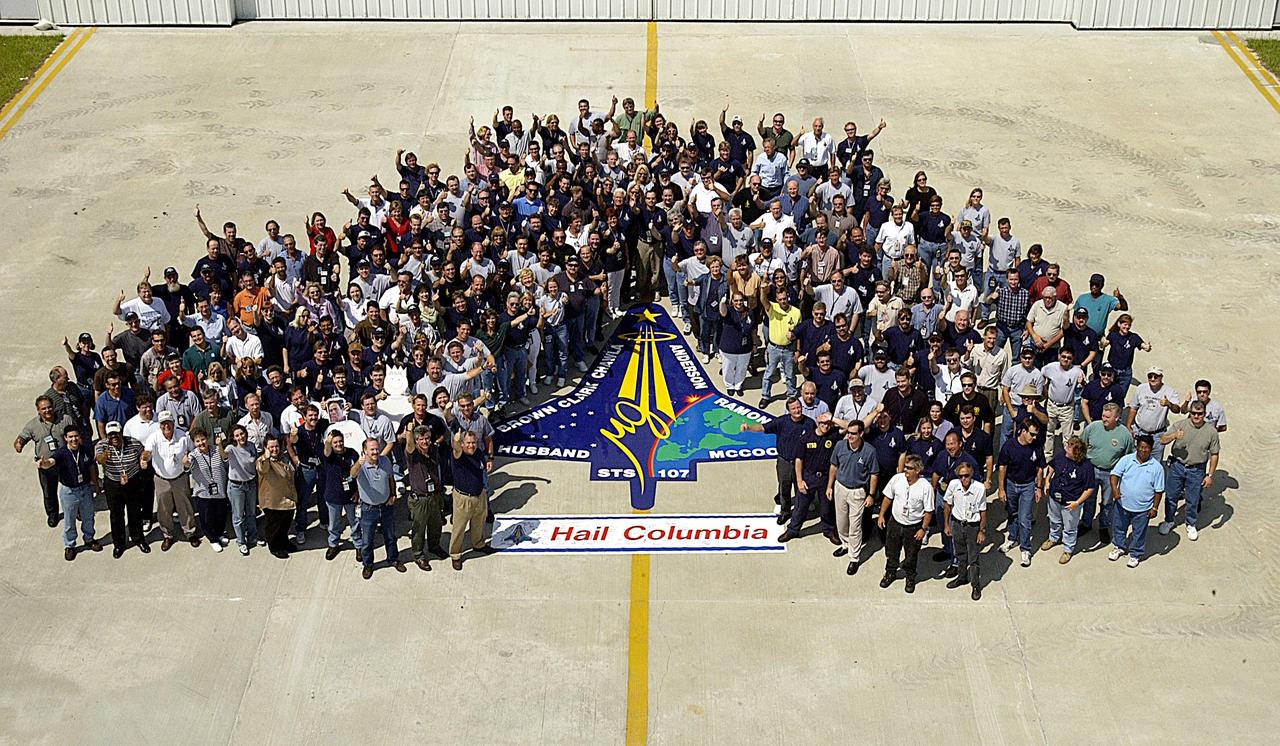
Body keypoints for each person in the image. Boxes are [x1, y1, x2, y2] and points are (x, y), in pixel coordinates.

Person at [741, 398, 814, 526]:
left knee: (801, 487)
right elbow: (763, 428)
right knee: (784, 487)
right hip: (784, 461)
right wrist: (748, 427)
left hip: (803, 462)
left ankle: (800, 511)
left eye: (798, 407)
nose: (797, 410)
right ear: (788, 411)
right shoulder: (781, 422)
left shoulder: (809, 423)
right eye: (794, 409)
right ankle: (785, 511)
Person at [1157, 401, 1220, 542]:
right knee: (1171, 496)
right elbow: (1162, 440)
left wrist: (1210, 475)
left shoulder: (1211, 432)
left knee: (1193, 499)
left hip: (1197, 469)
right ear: (1190, 413)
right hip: (1177, 466)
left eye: (1200, 414)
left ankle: (1191, 523)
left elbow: (1214, 454)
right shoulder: (1180, 425)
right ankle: (1169, 520)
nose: (1196, 416)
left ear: (1204, 414)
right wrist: (1174, 436)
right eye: (1193, 413)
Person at [826, 420, 880, 576]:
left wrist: (871, 494)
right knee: (841, 522)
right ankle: (845, 544)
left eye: (853, 433)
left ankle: (854, 558)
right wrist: (830, 486)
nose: (849, 436)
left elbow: (874, 474)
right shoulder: (840, 446)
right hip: (840, 487)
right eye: (848, 432)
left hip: (857, 492)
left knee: (855, 526)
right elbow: (833, 466)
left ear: (861, 434)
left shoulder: (869, 451)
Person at [40, 424, 101, 561]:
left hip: (85, 489)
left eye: (76, 436)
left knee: (88, 516)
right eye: (70, 437)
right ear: (66, 438)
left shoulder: (85, 450)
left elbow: (91, 467)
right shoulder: (62, 453)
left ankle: (89, 539)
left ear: (79, 437)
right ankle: (70, 545)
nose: (73, 439)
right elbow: (51, 461)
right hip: (69, 492)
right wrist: (44, 464)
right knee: (69, 520)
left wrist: (95, 485)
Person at [142, 410, 199, 551]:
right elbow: (148, 452)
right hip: (161, 479)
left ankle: (190, 532)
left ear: (173, 423)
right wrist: (145, 457)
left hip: (180, 478)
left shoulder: (183, 437)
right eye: (163, 424)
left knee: (185, 506)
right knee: (164, 509)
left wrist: (188, 460)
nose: (166, 426)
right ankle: (168, 535)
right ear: (159, 425)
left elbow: (193, 451)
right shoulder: (153, 438)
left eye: (168, 423)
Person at [876, 455, 933, 594]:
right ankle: (890, 573)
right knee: (891, 551)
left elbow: (929, 511)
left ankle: (910, 577)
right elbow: (888, 497)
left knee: (911, 555)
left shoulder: (926, 487)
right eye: (905, 467)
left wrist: (923, 529)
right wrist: (881, 515)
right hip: (895, 523)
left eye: (909, 468)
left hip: (913, 527)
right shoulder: (897, 479)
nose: (906, 470)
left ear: (918, 470)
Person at [1078, 403, 1134, 543]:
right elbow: (1081, 446)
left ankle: (1104, 527)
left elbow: (1128, 457)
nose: (1104, 419)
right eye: (1103, 416)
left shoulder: (1125, 434)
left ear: (1117, 417)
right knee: (1089, 499)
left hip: (1111, 474)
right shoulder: (1093, 427)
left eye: (1108, 417)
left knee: (1107, 502)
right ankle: (1086, 523)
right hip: (1091, 470)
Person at [1108, 435, 1164, 568]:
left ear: (1151, 449)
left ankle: (1135, 554)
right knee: (1119, 527)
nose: (1143, 450)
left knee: (1139, 533)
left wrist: (1154, 508)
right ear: (1137, 447)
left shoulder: (1157, 467)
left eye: (1147, 448)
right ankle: (1119, 547)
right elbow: (1114, 475)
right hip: (1122, 505)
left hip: (1142, 509)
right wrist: (1115, 491)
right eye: (1141, 447)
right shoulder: (1126, 460)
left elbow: (1159, 490)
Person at [15, 395, 72, 527]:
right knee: (49, 492)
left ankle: (77, 510)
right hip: (45, 464)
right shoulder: (32, 425)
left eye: (49, 407)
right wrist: (19, 444)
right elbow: (22, 437)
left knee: (72, 489)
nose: (47, 411)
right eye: (43, 409)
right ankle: (52, 515)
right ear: (38, 410)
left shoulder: (66, 419)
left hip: (65, 462)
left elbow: (75, 434)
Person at [352, 437, 405, 578]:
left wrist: (393, 494)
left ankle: (393, 559)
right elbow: (352, 474)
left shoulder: (385, 461)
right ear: (365, 451)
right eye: (372, 449)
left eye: (377, 448)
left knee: (390, 536)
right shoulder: (360, 465)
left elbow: (390, 478)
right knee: (367, 540)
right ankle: (368, 564)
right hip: (368, 509)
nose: (375, 452)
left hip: (386, 507)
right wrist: (359, 463)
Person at [95, 421, 149, 557]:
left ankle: (138, 539)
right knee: (116, 515)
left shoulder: (133, 442)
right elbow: (99, 460)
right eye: (111, 435)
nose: (114, 437)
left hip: (132, 481)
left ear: (121, 433)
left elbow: (144, 452)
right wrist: (105, 456)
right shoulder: (102, 445)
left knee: (135, 511)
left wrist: (143, 459)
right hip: (113, 483)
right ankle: (119, 544)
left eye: (116, 433)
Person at [782, 413, 838, 544]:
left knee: (826, 507)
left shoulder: (833, 436)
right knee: (801, 506)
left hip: (825, 477)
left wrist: (832, 419)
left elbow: (850, 426)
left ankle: (828, 530)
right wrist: (799, 480)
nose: (825, 426)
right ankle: (793, 530)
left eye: (828, 424)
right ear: (818, 423)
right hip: (809, 476)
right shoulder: (806, 438)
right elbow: (799, 460)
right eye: (823, 423)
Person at [997, 419, 1044, 568]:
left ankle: (1025, 548)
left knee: (1025, 518)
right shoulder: (1009, 446)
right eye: (1032, 434)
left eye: (1036, 434)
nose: (1034, 437)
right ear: (1023, 431)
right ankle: (1012, 538)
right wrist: (1001, 489)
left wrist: (1038, 487)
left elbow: (1040, 468)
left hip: (1028, 486)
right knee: (1012, 513)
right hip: (1011, 484)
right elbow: (1002, 467)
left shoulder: (1036, 447)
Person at [1042, 437, 1095, 563]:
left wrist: (1077, 502)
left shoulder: (1086, 467)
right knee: (1054, 520)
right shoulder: (1062, 455)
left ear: (1076, 453)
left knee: (1070, 527)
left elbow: (1089, 488)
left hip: (1071, 503)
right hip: (1054, 497)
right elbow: (1052, 466)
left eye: (1070, 446)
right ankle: (1053, 538)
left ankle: (1068, 549)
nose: (1066, 447)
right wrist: (1047, 480)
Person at [449, 429, 496, 570]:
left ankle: (478, 544)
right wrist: (456, 441)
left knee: (479, 522)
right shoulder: (459, 456)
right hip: (463, 498)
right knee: (459, 528)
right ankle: (456, 554)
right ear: (463, 444)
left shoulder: (478, 453)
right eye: (468, 443)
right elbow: (456, 449)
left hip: (479, 495)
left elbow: (481, 468)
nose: (471, 445)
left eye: (473, 442)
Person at [404, 424, 447, 569]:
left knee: (436, 525)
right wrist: (409, 431)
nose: (424, 441)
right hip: (420, 499)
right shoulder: (412, 454)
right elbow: (409, 445)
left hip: (435, 495)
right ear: (416, 441)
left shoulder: (434, 450)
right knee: (419, 529)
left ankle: (434, 546)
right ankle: (418, 555)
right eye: (421, 439)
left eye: (427, 438)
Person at [941, 462, 986, 600]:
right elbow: (947, 505)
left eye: (966, 476)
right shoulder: (954, 485)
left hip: (972, 526)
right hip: (957, 523)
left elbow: (983, 511)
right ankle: (961, 577)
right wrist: (946, 525)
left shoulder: (979, 488)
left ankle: (975, 585)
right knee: (960, 553)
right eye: (961, 476)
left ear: (971, 474)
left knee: (973, 558)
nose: (963, 479)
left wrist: (981, 531)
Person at [220, 424, 260, 555]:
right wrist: (219, 444)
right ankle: (241, 542)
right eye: (237, 435)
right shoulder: (231, 448)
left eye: (242, 434)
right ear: (233, 437)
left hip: (251, 484)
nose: (240, 437)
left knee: (251, 513)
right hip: (237, 486)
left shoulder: (251, 446)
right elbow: (223, 455)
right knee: (238, 517)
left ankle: (253, 536)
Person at [188, 429, 231, 552]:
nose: (201, 443)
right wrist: (185, 462)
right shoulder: (193, 455)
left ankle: (219, 534)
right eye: (197, 441)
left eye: (203, 439)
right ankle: (212, 539)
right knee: (207, 518)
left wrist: (220, 445)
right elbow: (186, 465)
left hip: (220, 490)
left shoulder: (216, 449)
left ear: (207, 438)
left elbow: (225, 458)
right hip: (204, 492)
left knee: (221, 515)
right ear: (194, 443)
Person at [256, 434, 297, 559]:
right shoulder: (263, 461)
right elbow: (262, 469)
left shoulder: (283, 457)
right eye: (271, 447)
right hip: (273, 502)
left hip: (288, 498)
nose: (275, 449)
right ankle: (274, 547)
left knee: (285, 524)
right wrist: (266, 457)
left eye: (276, 446)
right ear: (265, 448)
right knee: (274, 527)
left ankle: (284, 541)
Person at [1127, 366, 1180, 462]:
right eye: (1150, 376)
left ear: (1161, 377)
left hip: (1157, 435)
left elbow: (1177, 409)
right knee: (1135, 460)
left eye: (1156, 376)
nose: (1152, 379)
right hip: (1139, 432)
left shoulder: (1169, 391)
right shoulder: (1141, 388)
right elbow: (1133, 407)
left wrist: (1169, 404)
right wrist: (1128, 426)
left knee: (1154, 463)